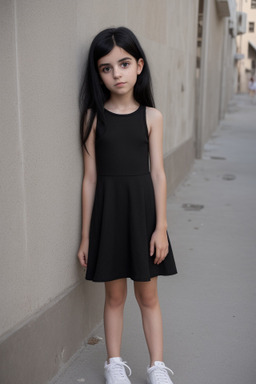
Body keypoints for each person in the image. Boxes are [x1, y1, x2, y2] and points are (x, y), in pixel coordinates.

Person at [77, 26, 177, 384]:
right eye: (106, 67)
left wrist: (161, 227)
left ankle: (157, 366)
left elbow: (159, 174)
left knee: (148, 295)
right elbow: (89, 179)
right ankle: (114, 364)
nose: (116, 73)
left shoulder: (152, 117)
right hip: (108, 216)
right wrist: (86, 237)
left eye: (123, 64)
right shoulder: (93, 118)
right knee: (114, 295)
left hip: (142, 216)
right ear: (98, 74)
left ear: (139, 66)